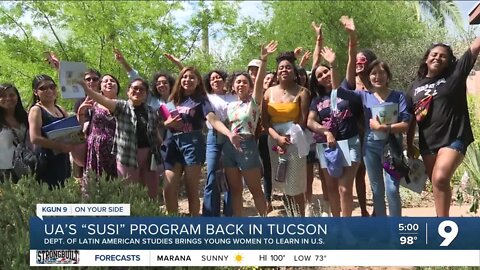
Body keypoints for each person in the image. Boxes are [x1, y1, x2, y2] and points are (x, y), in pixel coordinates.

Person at [330, 52, 411, 217]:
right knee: (377, 190)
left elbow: (405, 125)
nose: (377, 77)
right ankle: (381, 228)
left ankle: (396, 230)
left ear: (388, 76)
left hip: (392, 147)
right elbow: (338, 92)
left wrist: (383, 128)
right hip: (371, 147)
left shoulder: (399, 96)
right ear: (369, 77)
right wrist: (333, 65)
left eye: (382, 73)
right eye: (374, 73)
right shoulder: (364, 96)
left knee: (392, 189)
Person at [407, 39, 480, 217]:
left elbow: (475, 46)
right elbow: (410, 119)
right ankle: (442, 220)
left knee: (440, 177)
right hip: (428, 142)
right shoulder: (414, 87)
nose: (438, 58)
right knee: (437, 182)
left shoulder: (455, 75)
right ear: (426, 59)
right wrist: (409, 144)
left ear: (449, 61)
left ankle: (442, 225)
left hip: (454, 137)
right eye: (434, 54)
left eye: (443, 56)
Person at [162, 67, 241, 216]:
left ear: (198, 81)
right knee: (168, 188)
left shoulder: (202, 100)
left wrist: (228, 133)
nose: (188, 80)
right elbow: (164, 122)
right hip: (172, 144)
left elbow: (212, 118)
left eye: (192, 77)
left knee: (191, 189)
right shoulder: (173, 100)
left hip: (192, 143)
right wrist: (167, 124)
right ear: (180, 79)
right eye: (185, 77)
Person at [82, 77, 164, 199]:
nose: (138, 91)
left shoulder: (151, 111)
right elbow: (102, 99)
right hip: (127, 157)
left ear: (146, 94)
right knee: (129, 194)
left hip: (149, 157)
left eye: (142, 89)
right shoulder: (121, 107)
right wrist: (85, 87)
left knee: (151, 193)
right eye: (135, 88)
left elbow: (155, 134)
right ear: (128, 91)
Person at [224, 41, 277, 217]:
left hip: (247, 145)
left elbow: (260, 79)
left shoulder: (254, 103)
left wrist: (263, 60)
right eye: (238, 82)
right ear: (233, 86)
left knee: (255, 189)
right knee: (235, 189)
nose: (241, 85)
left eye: (245, 82)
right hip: (229, 148)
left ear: (250, 86)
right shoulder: (230, 106)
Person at [263, 51, 311, 216]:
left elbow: (303, 121)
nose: (284, 70)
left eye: (288, 67)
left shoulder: (302, 92)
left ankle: (300, 222)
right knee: (281, 181)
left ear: (294, 71)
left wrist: (288, 138)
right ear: (277, 71)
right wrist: (277, 138)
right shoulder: (268, 92)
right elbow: (265, 121)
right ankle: (289, 218)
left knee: (295, 183)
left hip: (294, 139)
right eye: (281, 67)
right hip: (274, 139)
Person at [341, 16, 376, 217]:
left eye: (363, 60)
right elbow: (349, 60)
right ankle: (363, 210)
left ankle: (376, 209)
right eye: (357, 60)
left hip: (377, 135)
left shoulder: (378, 84)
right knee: (359, 174)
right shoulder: (351, 84)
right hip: (356, 136)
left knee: (376, 173)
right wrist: (352, 39)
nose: (359, 63)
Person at [28, 75, 73, 189]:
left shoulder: (60, 108)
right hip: (46, 161)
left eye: (52, 87)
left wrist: (81, 113)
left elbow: (73, 130)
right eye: (43, 88)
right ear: (35, 92)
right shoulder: (36, 110)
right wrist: (59, 146)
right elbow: (35, 138)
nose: (49, 90)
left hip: (63, 159)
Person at [77, 75, 120, 192]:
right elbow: (79, 129)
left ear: (118, 86)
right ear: (100, 86)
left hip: (118, 150)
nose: (109, 83)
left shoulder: (125, 104)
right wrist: (81, 112)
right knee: (94, 186)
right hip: (95, 150)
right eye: (105, 81)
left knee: (116, 186)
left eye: (112, 80)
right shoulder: (92, 104)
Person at [202, 69, 236, 217]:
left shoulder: (234, 96)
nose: (215, 80)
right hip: (214, 137)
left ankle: (230, 215)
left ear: (224, 80)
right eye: (212, 79)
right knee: (212, 176)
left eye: (218, 77)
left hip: (233, 138)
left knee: (231, 175)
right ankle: (210, 216)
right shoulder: (206, 98)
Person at [0, 83, 29, 183]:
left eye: (11, 95)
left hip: (26, 167)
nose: (8, 98)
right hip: (4, 172)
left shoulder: (26, 117)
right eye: (2, 96)